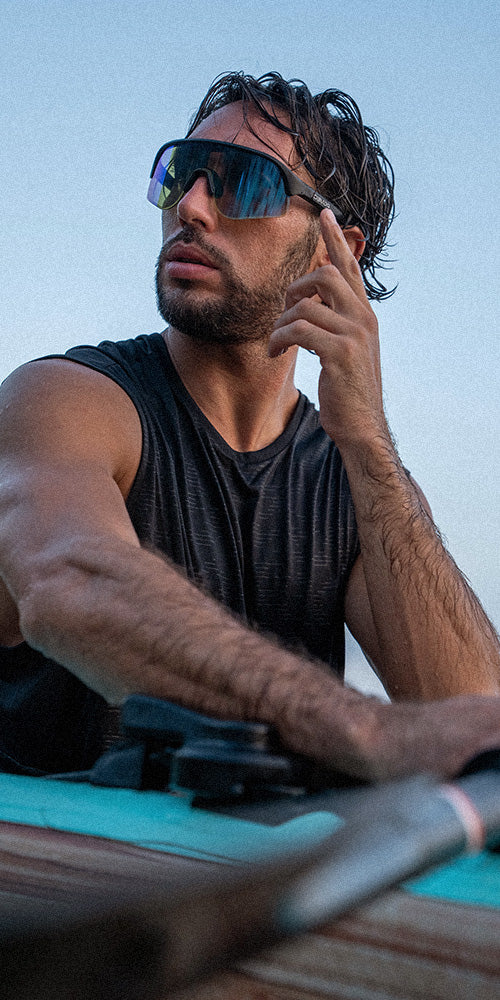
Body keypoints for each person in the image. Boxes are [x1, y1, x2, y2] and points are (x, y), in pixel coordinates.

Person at [0, 71, 499, 782]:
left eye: (243, 183)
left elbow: (473, 724)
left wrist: (367, 444)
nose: (193, 208)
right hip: (57, 879)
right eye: (182, 175)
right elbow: (66, 587)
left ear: (335, 252)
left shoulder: (351, 478)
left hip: (264, 884)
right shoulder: (69, 400)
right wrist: (363, 728)